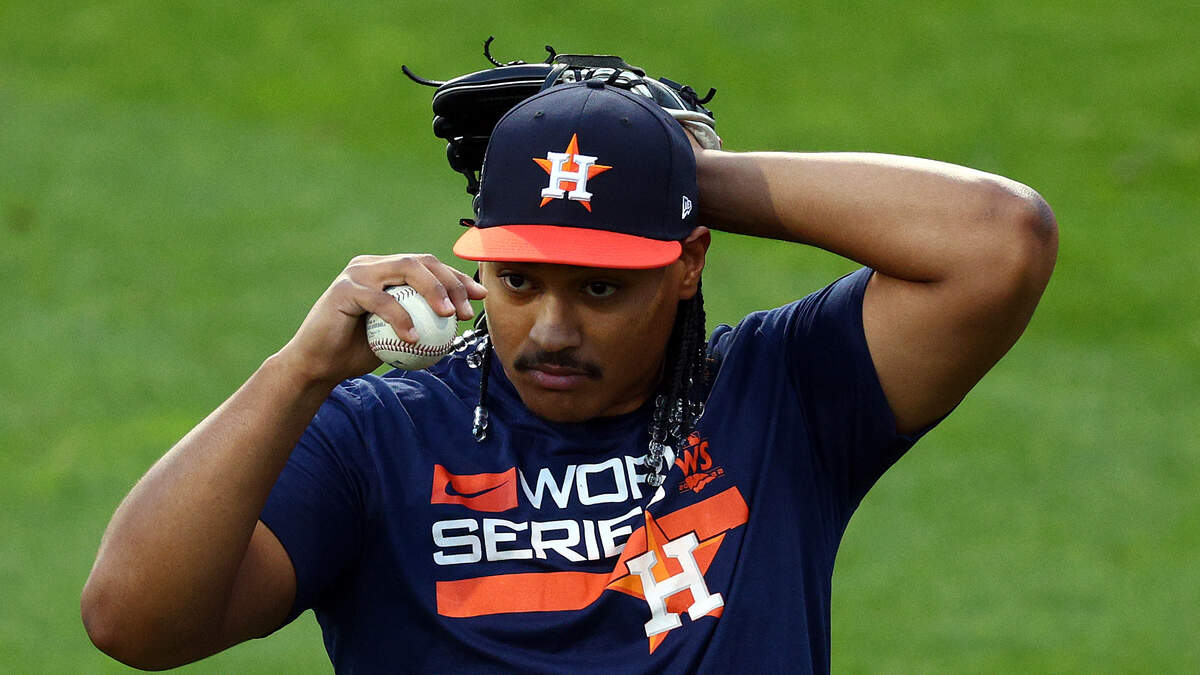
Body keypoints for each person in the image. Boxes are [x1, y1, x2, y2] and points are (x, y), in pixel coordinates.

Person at [81, 79, 1057, 673]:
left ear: (688, 264)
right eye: (518, 279)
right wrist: (296, 374)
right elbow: (134, 622)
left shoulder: (780, 399)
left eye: (600, 286)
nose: (552, 328)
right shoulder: (378, 436)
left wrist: (657, 158)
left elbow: (996, 241)